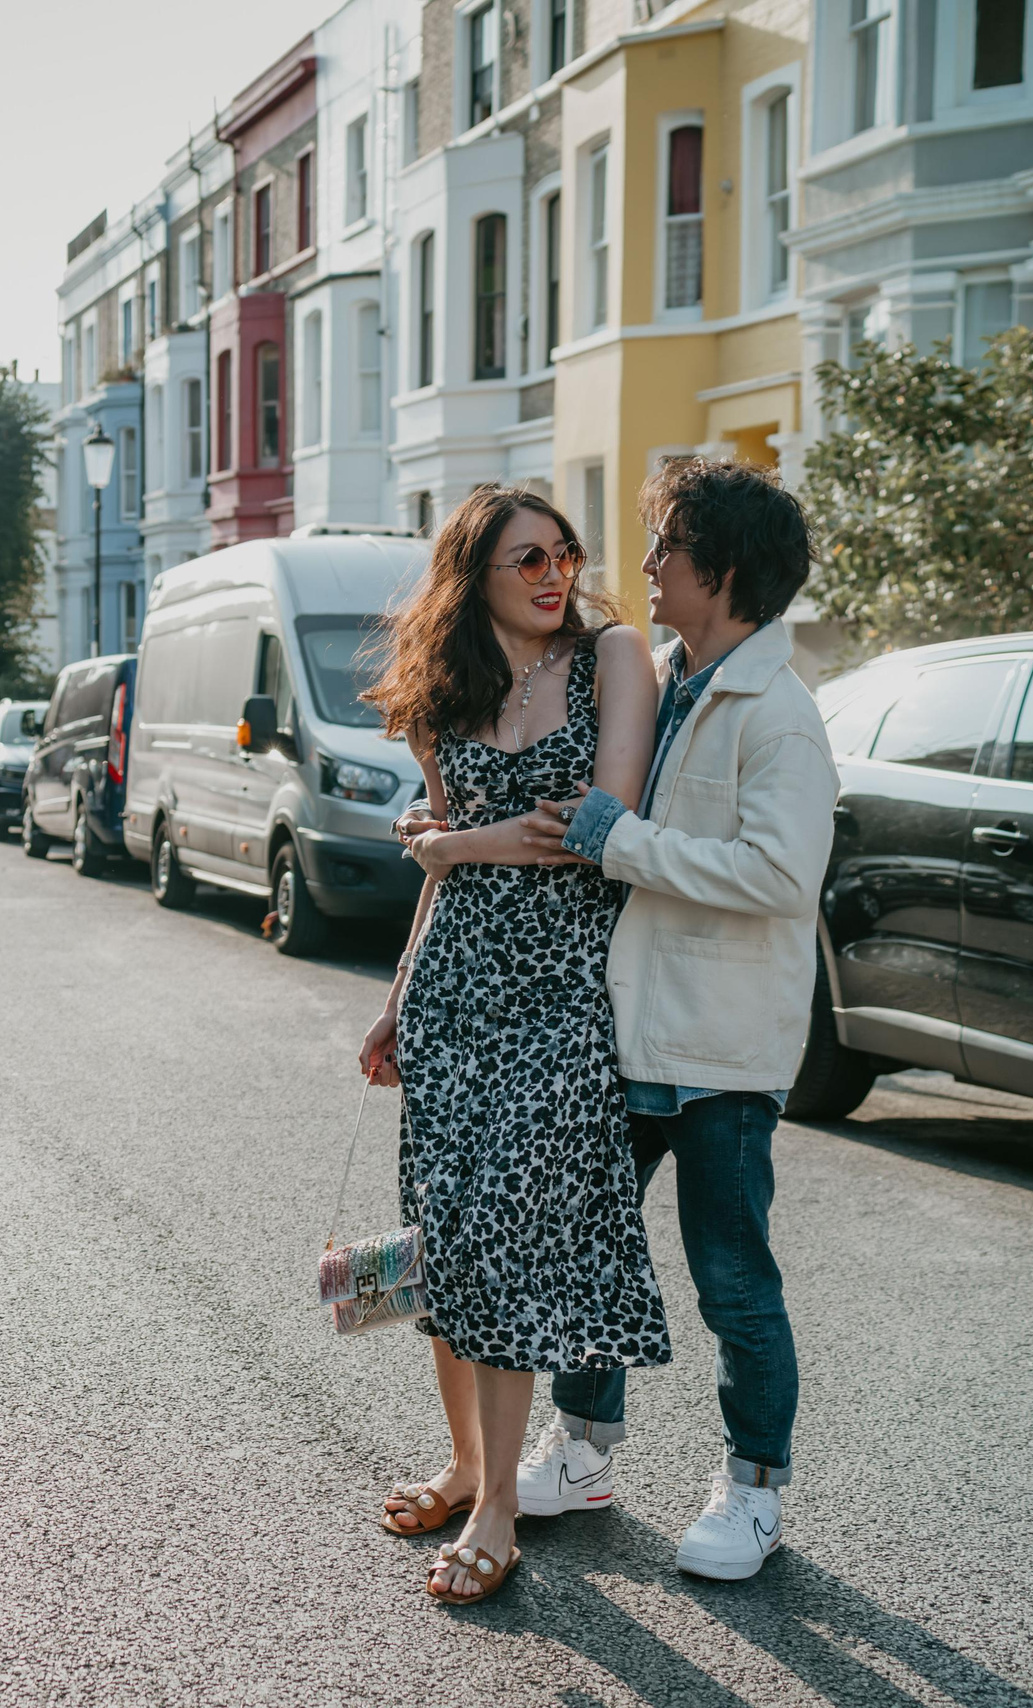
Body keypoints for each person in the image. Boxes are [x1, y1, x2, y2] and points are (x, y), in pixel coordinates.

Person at [487, 459, 836, 1582]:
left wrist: (614, 838)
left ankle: (752, 1492)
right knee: (591, 1251)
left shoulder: (779, 714)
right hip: (625, 1028)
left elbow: (780, 875)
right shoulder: (664, 673)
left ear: (721, 570)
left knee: (731, 1277)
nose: (644, 564)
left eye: (666, 546)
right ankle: (584, 1450)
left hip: (721, 1049)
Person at [356, 485, 669, 1606]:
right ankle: (466, 1466)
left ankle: (500, 1510)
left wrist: (454, 842)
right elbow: (442, 880)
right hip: (451, 993)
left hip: (554, 996)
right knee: (444, 1233)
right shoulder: (443, 696)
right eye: (525, 558)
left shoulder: (612, 657)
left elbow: (597, 827)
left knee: (503, 1235)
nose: (553, 574)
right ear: (473, 576)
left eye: (563, 553)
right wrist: (396, 995)